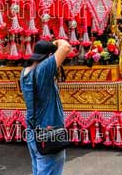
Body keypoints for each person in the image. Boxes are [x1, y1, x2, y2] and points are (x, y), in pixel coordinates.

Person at [20, 39, 72, 175]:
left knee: (39, 170)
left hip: (33, 131)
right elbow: (66, 47)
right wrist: (56, 42)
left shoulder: (25, 72)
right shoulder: (43, 70)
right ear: (49, 57)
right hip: (48, 133)